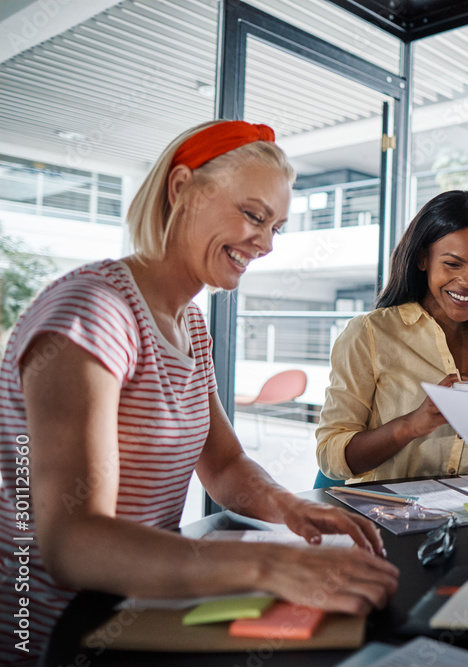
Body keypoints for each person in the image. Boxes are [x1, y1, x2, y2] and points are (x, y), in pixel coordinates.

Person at [0, 121, 399, 665]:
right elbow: (73, 542)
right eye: (253, 215)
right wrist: (268, 566)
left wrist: (291, 508)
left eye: (276, 226)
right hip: (60, 633)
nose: (264, 243)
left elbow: (226, 464)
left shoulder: (189, 323)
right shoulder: (95, 312)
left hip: (143, 605)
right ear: (181, 188)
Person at [315, 191, 468, 482]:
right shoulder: (370, 334)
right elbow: (329, 456)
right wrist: (411, 426)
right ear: (423, 259)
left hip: (463, 514)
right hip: (385, 516)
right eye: (452, 264)